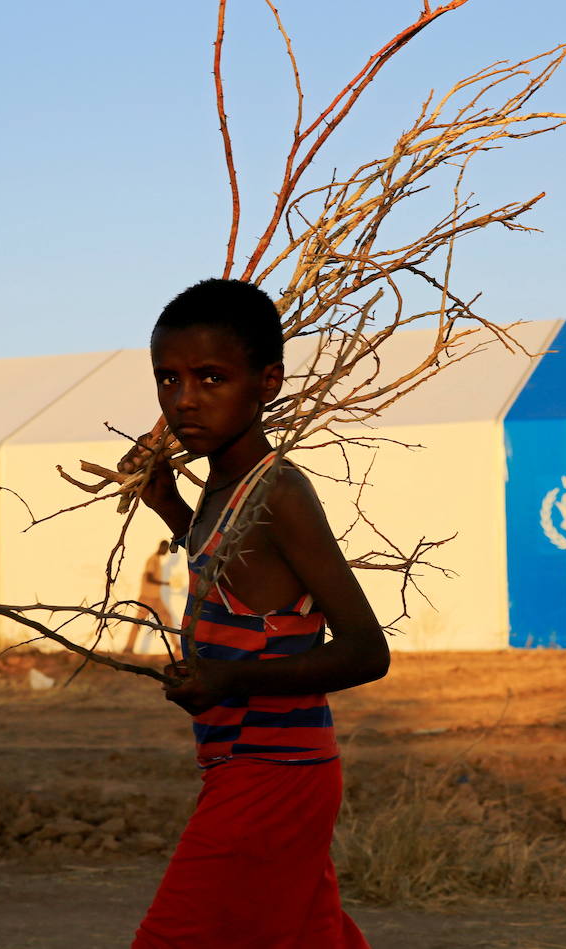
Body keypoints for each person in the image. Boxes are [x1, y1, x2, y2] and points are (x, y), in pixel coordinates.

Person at [120, 277, 389, 948]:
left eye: (211, 377)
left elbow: (365, 649)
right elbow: (238, 574)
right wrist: (170, 507)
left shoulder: (279, 492)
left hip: (273, 774)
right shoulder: (220, 489)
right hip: (249, 765)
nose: (184, 399)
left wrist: (227, 680)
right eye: (167, 379)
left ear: (267, 382)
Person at [126, 539, 171, 653]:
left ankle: (177, 647)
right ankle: (128, 648)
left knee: (167, 618)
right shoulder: (153, 560)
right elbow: (149, 578)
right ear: (162, 547)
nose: (167, 552)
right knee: (138, 622)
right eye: (166, 549)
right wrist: (164, 583)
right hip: (147, 597)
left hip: (155, 596)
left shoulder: (157, 560)